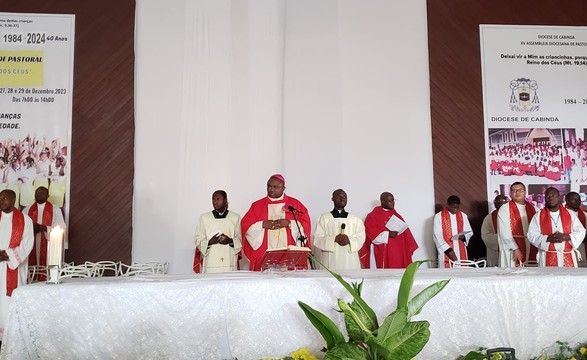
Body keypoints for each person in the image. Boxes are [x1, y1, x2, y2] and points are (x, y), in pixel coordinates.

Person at [241, 174, 311, 271]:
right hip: (264, 253)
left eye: (275, 187)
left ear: (283, 188)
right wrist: (262, 224)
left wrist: (289, 223)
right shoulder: (257, 206)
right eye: (269, 186)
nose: (271, 190)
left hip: (290, 255)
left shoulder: (294, 204)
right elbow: (245, 225)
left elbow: (305, 223)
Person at [0, 189, 34, 335]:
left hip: (12, 267)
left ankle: (10, 335)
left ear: (13, 200)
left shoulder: (25, 220)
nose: (1, 200)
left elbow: (27, 244)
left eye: (4, 198)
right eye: (0, 198)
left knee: (9, 301)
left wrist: (6, 255)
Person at [527, 187, 585, 267]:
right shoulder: (538, 216)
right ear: (545, 199)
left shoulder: (570, 214)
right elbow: (531, 235)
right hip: (547, 256)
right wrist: (547, 238)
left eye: (553, 195)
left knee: (568, 279)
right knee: (549, 279)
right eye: (548, 196)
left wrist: (567, 237)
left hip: (567, 256)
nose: (550, 197)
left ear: (559, 197)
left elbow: (581, 231)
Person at [359, 192, 418, 269]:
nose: (393, 203)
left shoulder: (396, 215)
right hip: (382, 252)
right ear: (382, 201)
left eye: (393, 200)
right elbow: (370, 233)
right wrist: (388, 234)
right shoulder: (373, 215)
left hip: (398, 253)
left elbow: (406, 234)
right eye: (390, 201)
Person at [313, 189, 365, 270]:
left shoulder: (355, 219)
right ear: (332, 199)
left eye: (344, 196)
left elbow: (361, 238)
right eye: (339, 196)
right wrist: (334, 239)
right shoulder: (324, 218)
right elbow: (317, 239)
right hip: (330, 260)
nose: (342, 198)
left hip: (350, 261)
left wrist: (349, 240)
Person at [22, 187, 66, 281]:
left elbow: (61, 228)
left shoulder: (55, 210)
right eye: (37, 193)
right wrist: (31, 229)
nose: (39, 194)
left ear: (48, 196)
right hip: (31, 245)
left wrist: (44, 228)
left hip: (48, 246)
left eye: (42, 193)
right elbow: (21, 228)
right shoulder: (26, 210)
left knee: (46, 266)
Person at [193, 190, 242, 273]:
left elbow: (240, 239)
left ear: (226, 200)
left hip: (229, 261)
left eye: (218, 199)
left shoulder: (235, 217)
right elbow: (198, 239)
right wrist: (210, 242)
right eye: (213, 199)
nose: (215, 202)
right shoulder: (204, 218)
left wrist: (230, 240)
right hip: (211, 263)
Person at [497, 182, 538, 267]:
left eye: (520, 190)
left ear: (525, 192)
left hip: (531, 246)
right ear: (510, 194)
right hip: (512, 248)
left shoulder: (534, 209)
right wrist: (515, 248)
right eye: (514, 191)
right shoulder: (505, 209)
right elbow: (504, 232)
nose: (517, 193)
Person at [432, 195, 472, 268]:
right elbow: (437, 236)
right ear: (447, 205)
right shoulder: (439, 216)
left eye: (457, 207)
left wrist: (463, 237)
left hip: (460, 248)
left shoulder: (463, 216)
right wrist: (449, 250)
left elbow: (469, 232)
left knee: (462, 273)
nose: (455, 210)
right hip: (446, 251)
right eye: (452, 207)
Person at [480, 195, 508, 267]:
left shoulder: (513, 216)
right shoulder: (489, 218)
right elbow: (485, 236)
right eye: (498, 203)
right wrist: (501, 239)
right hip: (495, 252)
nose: (500, 205)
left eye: (503, 203)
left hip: (511, 250)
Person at [564, 191, 587, 261]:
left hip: (582, 246)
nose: (578, 201)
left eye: (579, 200)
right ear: (567, 200)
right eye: (574, 199)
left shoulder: (585, 215)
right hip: (566, 245)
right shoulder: (562, 214)